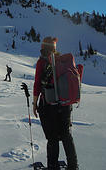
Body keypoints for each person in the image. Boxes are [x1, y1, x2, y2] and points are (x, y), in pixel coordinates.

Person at [33, 37, 79, 170]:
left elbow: (37, 84)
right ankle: (73, 166)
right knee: (66, 135)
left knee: (52, 138)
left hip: (48, 105)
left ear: (43, 47)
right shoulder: (63, 61)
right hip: (65, 104)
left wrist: (35, 104)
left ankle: (53, 166)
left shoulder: (42, 62)